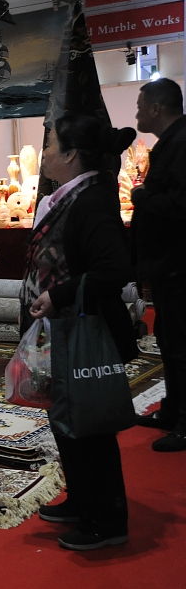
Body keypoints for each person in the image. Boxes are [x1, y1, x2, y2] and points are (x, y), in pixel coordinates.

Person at [21, 112, 138, 551]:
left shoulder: (91, 201)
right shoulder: (71, 197)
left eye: (50, 145)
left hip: (83, 333)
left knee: (89, 426)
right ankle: (83, 501)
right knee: (67, 420)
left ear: (71, 154)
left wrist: (58, 295)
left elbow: (114, 269)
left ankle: (106, 521)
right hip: (63, 332)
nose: (44, 154)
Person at [131, 78, 186, 451]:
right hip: (168, 264)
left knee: (181, 344)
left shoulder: (181, 144)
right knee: (168, 340)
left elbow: (181, 205)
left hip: (179, 263)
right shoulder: (172, 142)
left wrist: (142, 197)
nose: (136, 115)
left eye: (140, 108)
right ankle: (172, 410)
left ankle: (185, 422)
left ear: (156, 108)